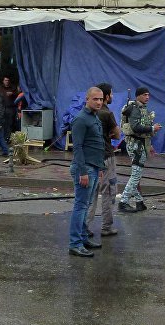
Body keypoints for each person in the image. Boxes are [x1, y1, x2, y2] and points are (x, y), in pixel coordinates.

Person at [68, 87, 106, 258]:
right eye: (95, 99)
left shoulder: (94, 117)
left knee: (86, 205)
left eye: (101, 99)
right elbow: (77, 147)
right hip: (84, 169)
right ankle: (75, 243)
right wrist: (83, 172)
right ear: (87, 99)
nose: (99, 102)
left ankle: (83, 238)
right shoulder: (81, 119)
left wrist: (100, 168)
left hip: (94, 168)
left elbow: (96, 144)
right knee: (81, 206)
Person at [87, 83, 121, 238]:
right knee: (108, 192)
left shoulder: (87, 115)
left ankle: (85, 227)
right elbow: (117, 135)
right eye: (111, 94)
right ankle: (106, 226)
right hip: (106, 156)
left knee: (91, 194)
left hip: (91, 158)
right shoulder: (107, 114)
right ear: (106, 96)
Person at [119, 87, 161, 213]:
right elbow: (136, 127)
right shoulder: (135, 109)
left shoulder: (141, 108)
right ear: (137, 96)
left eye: (148, 95)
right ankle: (123, 201)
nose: (147, 97)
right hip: (136, 145)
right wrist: (152, 129)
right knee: (136, 174)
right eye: (144, 95)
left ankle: (139, 201)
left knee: (137, 174)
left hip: (140, 144)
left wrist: (149, 145)